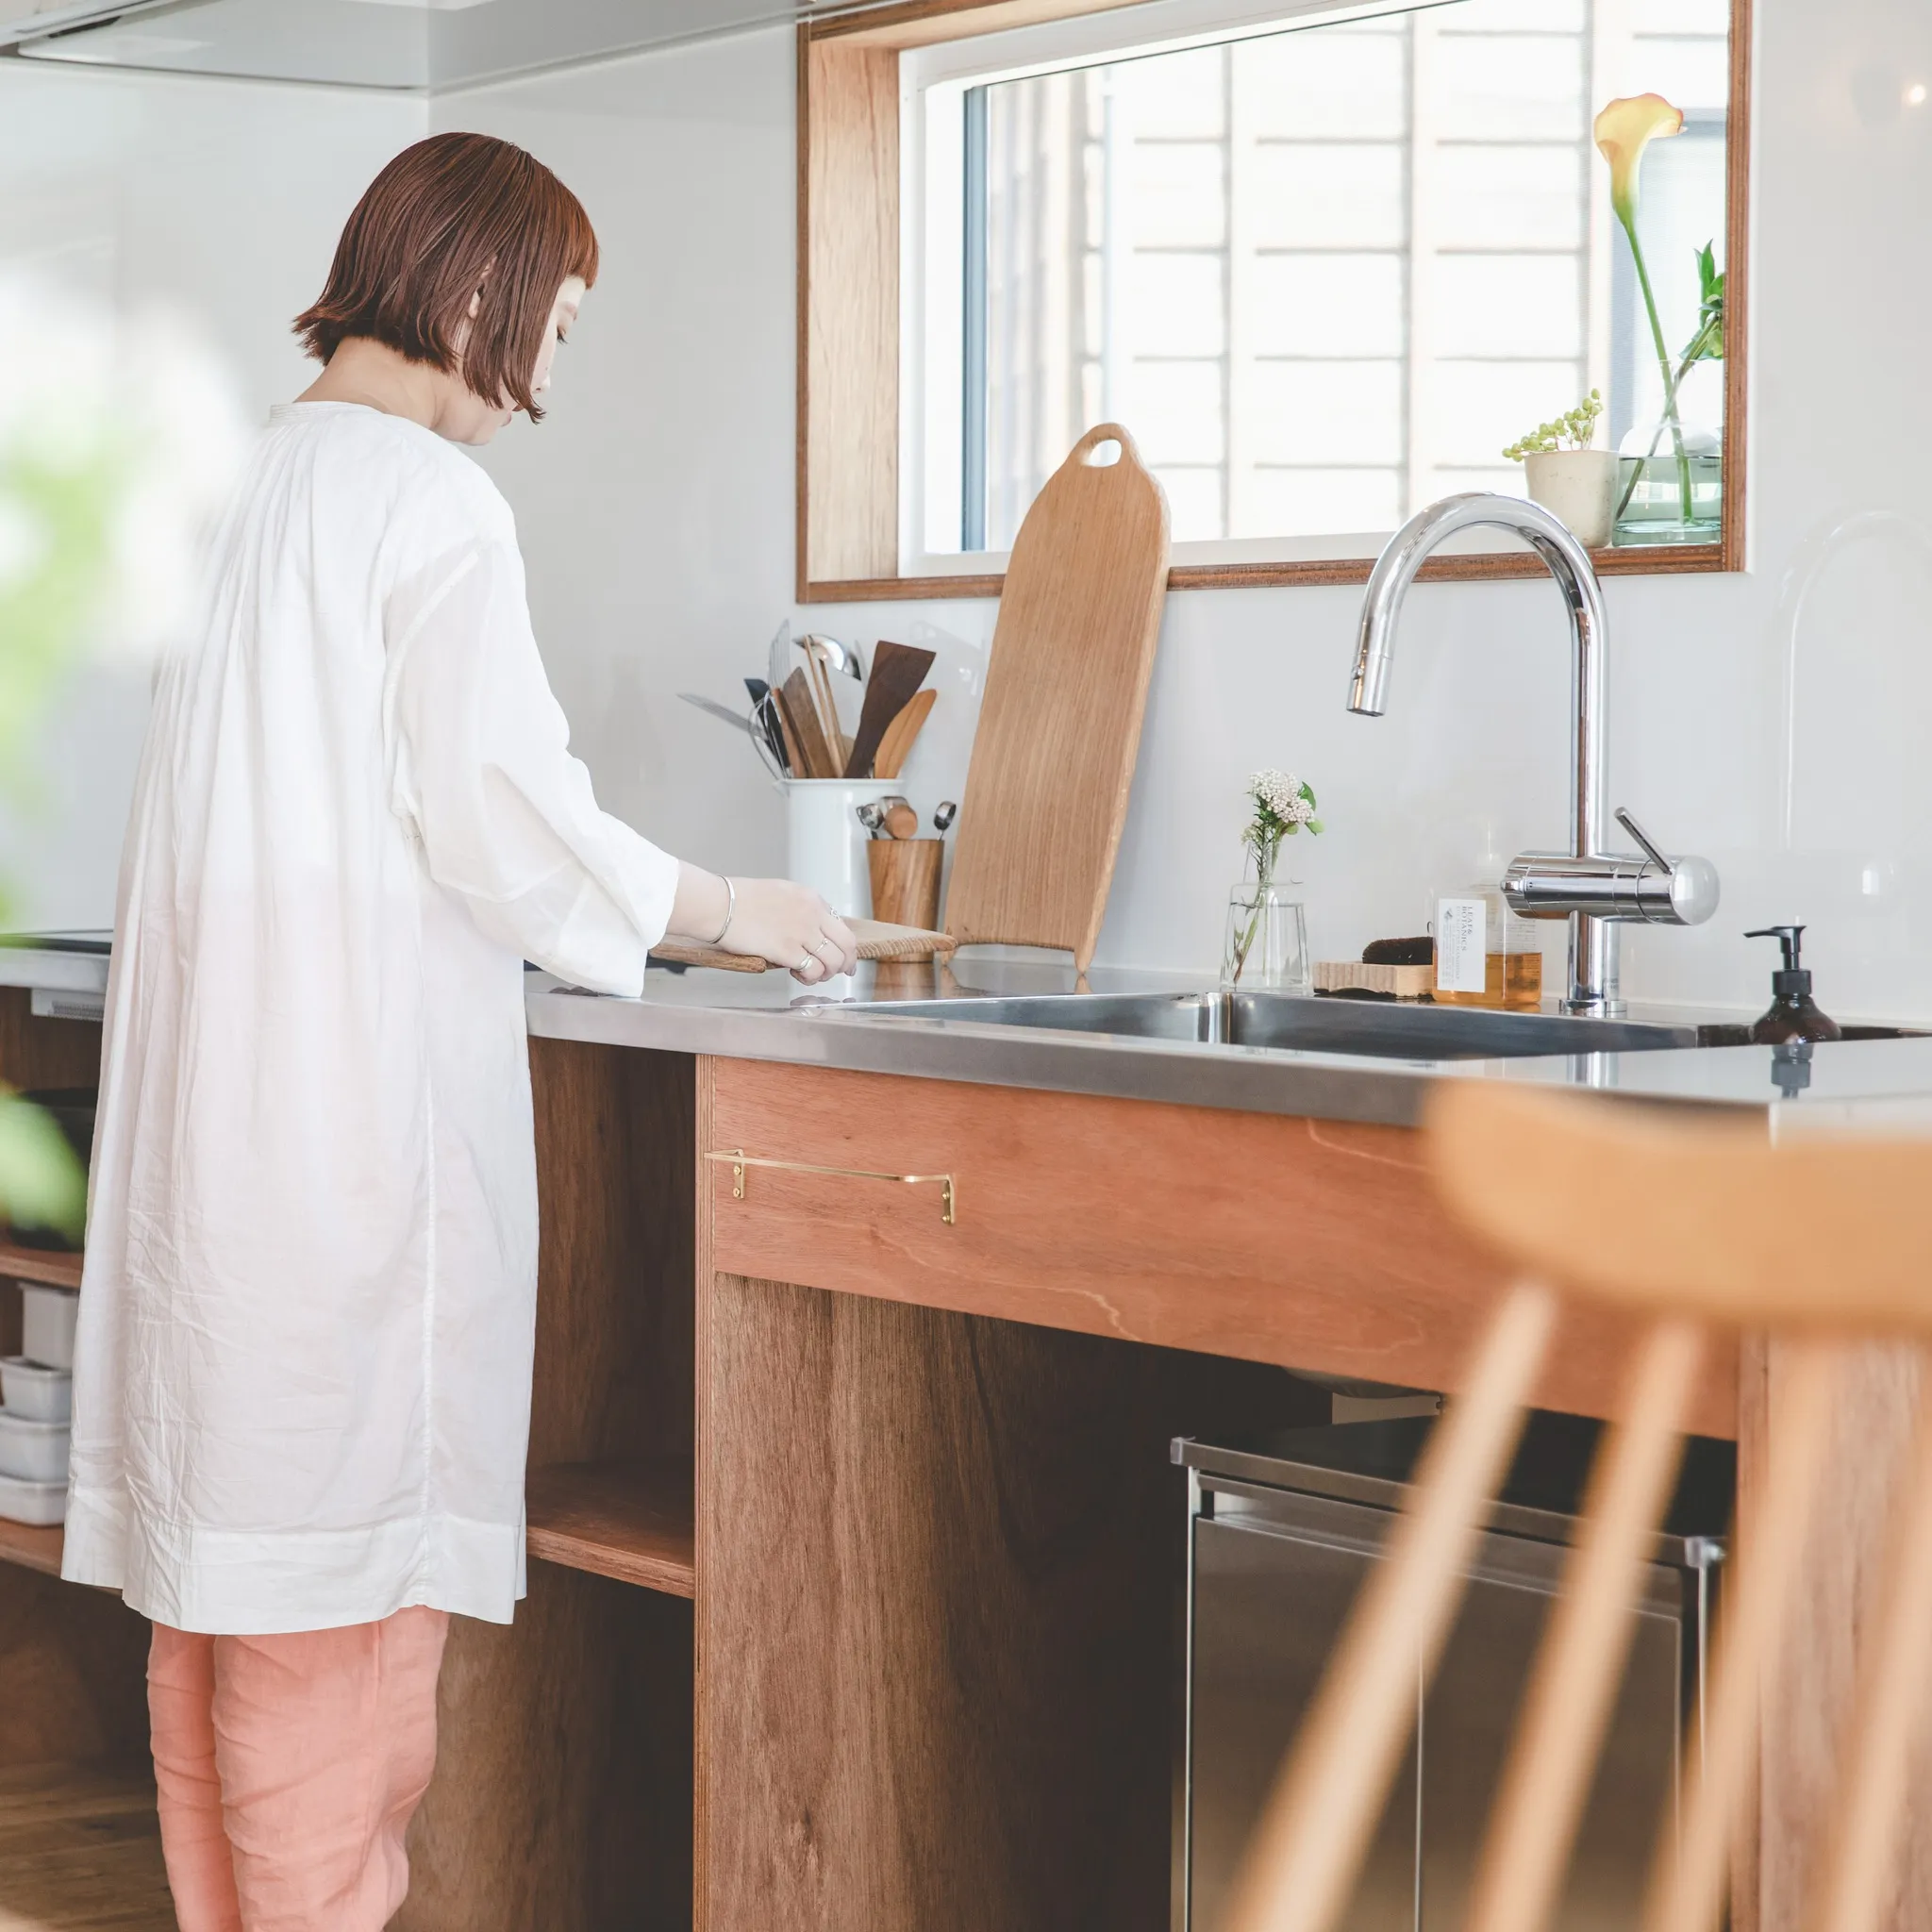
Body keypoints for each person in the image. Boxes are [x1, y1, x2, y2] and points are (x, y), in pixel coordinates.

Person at [61, 131, 856, 1931]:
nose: (549, 388)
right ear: (482, 289)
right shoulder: (427, 504)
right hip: (338, 1174)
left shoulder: (252, 483)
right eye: (558, 331)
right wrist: (731, 909)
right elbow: (503, 812)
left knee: (223, 1636)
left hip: (219, 1168)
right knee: (334, 1653)